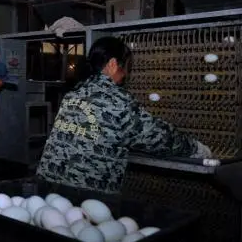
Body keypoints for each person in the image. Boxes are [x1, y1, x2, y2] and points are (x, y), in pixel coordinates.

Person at [36, 36, 213, 193]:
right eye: (126, 67)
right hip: (84, 194)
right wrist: (195, 149)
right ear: (113, 64)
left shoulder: (74, 93)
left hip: (48, 186)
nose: (126, 75)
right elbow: (157, 136)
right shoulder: (116, 101)